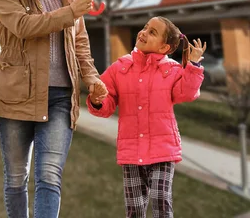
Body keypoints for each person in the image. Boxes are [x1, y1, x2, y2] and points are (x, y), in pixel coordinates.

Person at [0, 0, 108, 218]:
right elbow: (24, 26)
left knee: (49, 177)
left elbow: (78, 40)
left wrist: (91, 78)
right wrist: (69, 12)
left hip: (60, 97)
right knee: (16, 177)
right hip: (16, 96)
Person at [87, 16, 207, 218]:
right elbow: (106, 105)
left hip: (163, 149)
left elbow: (186, 92)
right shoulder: (119, 68)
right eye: (145, 27)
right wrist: (97, 99)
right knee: (134, 209)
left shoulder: (172, 71)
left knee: (161, 201)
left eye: (152, 32)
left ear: (164, 48)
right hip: (131, 152)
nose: (143, 32)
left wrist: (193, 66)